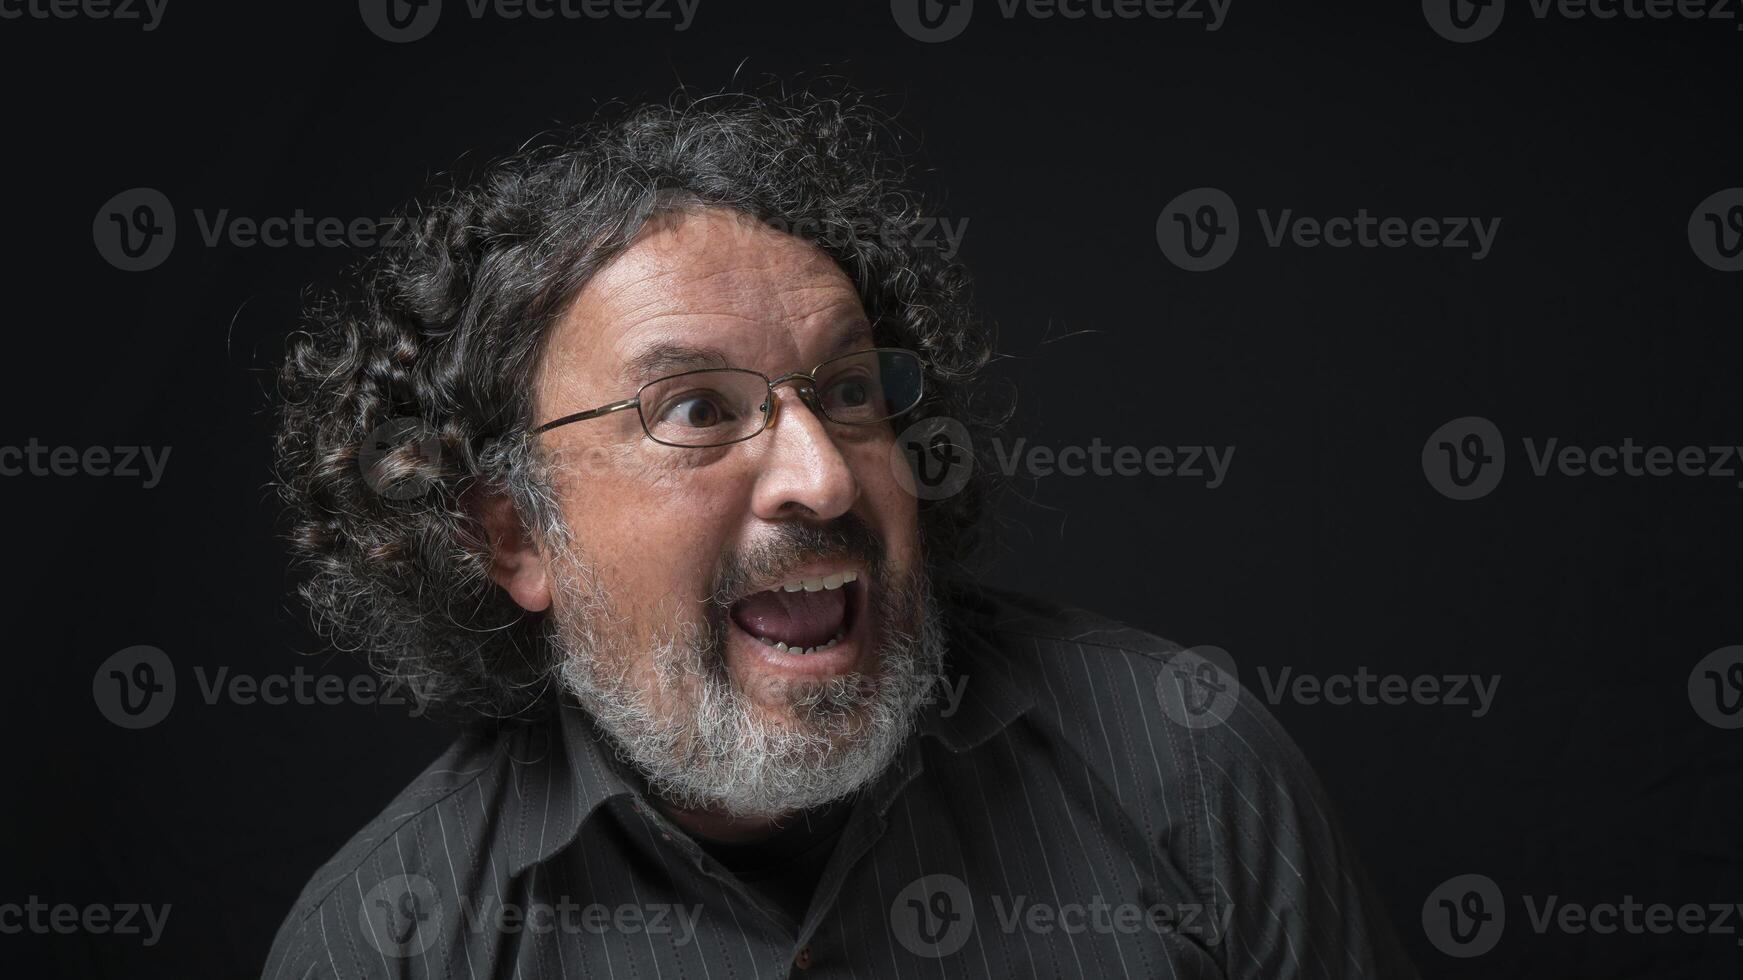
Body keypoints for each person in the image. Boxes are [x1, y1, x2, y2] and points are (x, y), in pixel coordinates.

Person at [263, 87, 1416, 978]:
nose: (820, 474)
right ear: (517, 536)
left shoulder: (1187, 771)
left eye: (850, 390)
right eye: (697, 410)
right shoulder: (389, 939)